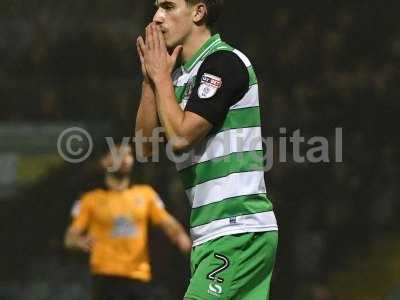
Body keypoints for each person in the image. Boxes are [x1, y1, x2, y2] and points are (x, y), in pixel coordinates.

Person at [135, 0, 279, 299]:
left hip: (236, 229)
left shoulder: (223, 63)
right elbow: (144, 148)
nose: (157, 17)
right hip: (213, 234)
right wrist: (151, 80)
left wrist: (161, 77)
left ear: (198, 13)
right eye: (156, 7)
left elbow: (180, 138)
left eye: (168, 6)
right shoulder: (176, 78)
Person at [64, 144, 192, 300]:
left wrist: (185, 243)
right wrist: (78, 241)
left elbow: (170, 226)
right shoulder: (89, 200)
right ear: (104, 161)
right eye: (118, 154)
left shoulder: (146, 195)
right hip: (105, 278)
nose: (125, 159)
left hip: (138, 276)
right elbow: (70, 238)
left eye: (129, 154)